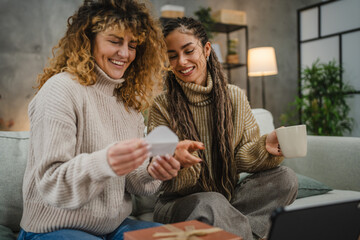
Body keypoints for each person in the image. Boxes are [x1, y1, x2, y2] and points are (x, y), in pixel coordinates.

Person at [18, 0, 180, 239]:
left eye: (132, 45)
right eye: (115, 41)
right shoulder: (60, 90)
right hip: (54, 228)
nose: (125, 54)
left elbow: (132, 180)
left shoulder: (128, 104)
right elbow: (52, 184)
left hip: (113, 228)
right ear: (88, 40)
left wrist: (152, 171)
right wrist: (105, 162)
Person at [147, 17, 298, 240]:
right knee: (211, 202)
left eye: (189, 51)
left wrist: (264, 147)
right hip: (177, 203)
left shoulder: (235, 96)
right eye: (172, 56)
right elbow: (160, 175)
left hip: (227, 197)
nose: (181, 62)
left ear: (206, 49)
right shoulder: (161, 105)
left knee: (285, 178)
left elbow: (241, 159)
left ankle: (229, 228)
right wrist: (178, 161)